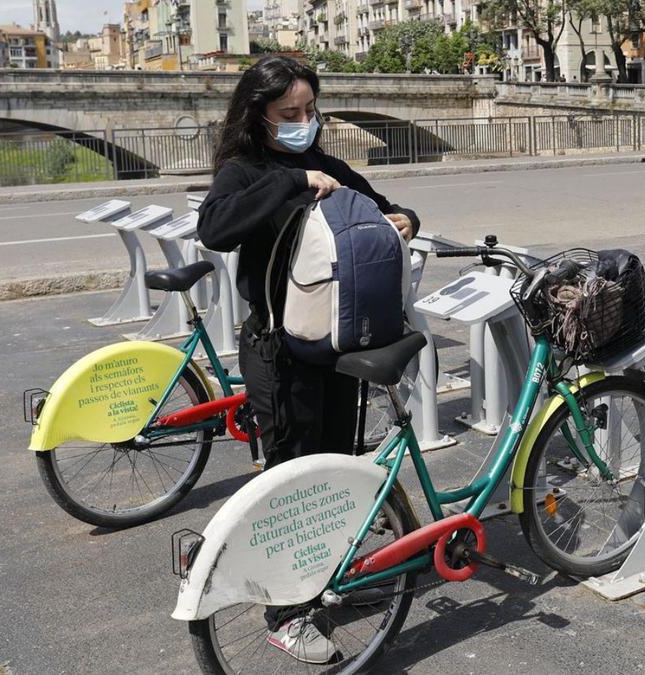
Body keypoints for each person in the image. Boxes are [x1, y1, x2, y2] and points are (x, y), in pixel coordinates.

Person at [196, 55, 420, 665]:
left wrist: (405, 218)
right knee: (290, 481)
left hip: (337, 349)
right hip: (278, 352)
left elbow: (383, 206)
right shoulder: (245, 170)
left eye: (310, 110)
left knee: (335, 472)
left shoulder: (328, 162)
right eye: (288, 114)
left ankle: (327, 579)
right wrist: (290, 184)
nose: (303, 122)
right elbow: (214, 229)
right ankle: (285, 614)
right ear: (258, 116)